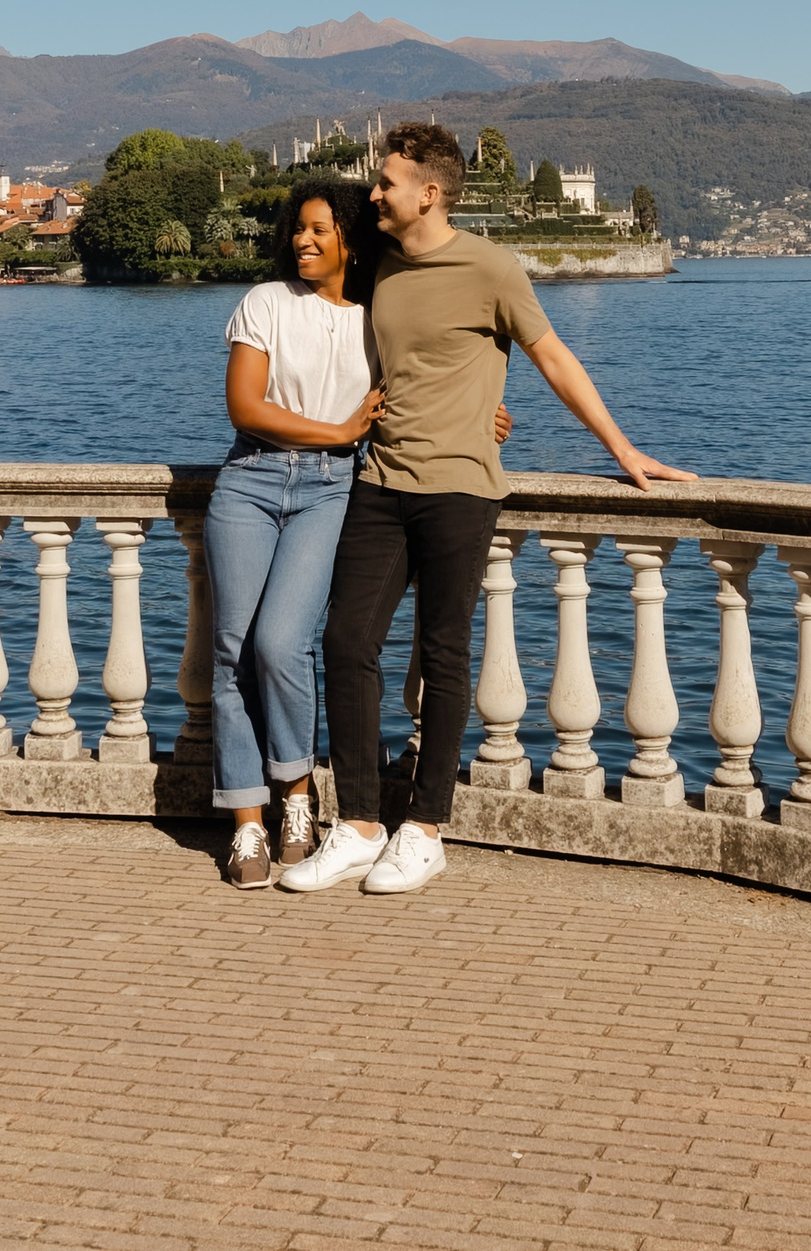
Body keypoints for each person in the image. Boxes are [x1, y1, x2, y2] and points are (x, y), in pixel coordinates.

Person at [280, 121, 694, 896]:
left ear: (430, 193)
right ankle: (360, 825)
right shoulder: (378, 262)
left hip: (462, 487)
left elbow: (552, 357)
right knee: (346, 641)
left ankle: (424, 829)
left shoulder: (491, 267)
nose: (375, 192)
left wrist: (622, 449)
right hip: (381, 480)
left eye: (387, 182)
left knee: (443, 653)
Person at [204, 177, 510, 890]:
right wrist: (340, 430)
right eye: (298, 228)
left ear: (349, 238)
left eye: (320, 229)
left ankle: (298, 795)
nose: (303, 241)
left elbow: (430, 383)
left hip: (331, 488)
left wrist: (482, 415)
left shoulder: (378, 316)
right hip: (250, 479)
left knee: (283, 642)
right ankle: (248, 819)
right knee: (231, 651)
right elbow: (245, 406)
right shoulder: (266, 302)